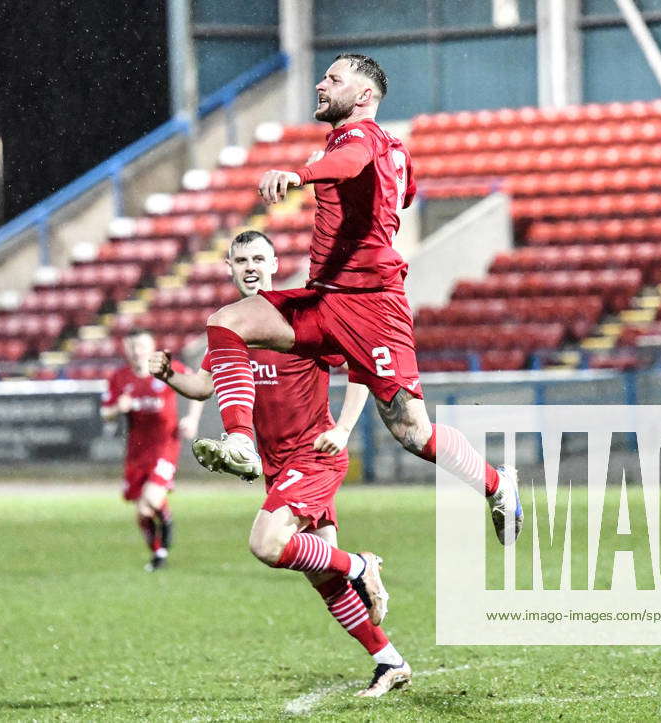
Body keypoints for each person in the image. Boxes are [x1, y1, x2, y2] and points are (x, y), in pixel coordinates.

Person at [191, 53, 523, 546]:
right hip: (325, 300)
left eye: (334, 78)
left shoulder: (358, 137)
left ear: (364, 96)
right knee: (228, 323)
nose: (321, 84)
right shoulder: (395, 148)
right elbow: (403, 191)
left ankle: (498, 485)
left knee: (413, 433)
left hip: (371, 308)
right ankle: (240, 440)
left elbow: (350, 161)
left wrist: (303, 176)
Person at [150, 230, 411, 698]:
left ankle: (361, 564)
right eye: (240, 259)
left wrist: (344, 429)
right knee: (322, 577)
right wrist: (170, 374)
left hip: (314, 454)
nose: (249, 265)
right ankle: (388, 660)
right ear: (229, 268)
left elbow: (362, 367)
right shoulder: (233, 333)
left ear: (273, 265)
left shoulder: (297, 315)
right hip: (277, 466)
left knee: (267, 544)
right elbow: (206, 387)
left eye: (258, 258)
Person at [101, 329, 203, 571]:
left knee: (151, 498)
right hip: (137, 451)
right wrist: (118, 408)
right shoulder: (119, 377)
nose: (139, 352)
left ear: (151, 348)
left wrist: (192, 419)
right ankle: (158, 553)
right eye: (134, 347)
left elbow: (198, 388)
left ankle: (164, 536)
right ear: (128, 349)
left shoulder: (166, 368)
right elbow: (105, 413)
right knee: (143, 512)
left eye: (143, 347)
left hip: (165, 445)